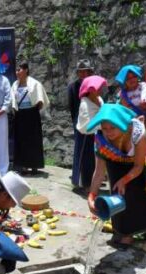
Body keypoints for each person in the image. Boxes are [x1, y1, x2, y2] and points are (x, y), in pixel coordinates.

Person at [87, 104, 146, 248]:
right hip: (115, 158)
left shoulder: (137, 132)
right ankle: (125, 232)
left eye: (112, 128)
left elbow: (138, 167)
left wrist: (125, 179)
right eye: (104, 128)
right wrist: (91, 195)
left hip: (141, 157)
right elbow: (99, 171)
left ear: (122, 125)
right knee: (119, 194)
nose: (108, 133)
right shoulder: (101, 140)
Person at [10, 61, 50, 174]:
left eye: (19, 69)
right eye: (16, 70)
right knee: (21, 140)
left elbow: (40, 101)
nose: (17, 72)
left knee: (33, 140)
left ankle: (34, 165)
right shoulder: (14, 85)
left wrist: (32, 110)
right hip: (20, 114)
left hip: (32, 114)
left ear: (26, 70)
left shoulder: (35, 84)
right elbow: (14, 101)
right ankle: (22, 165)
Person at [74, 75, 107, 191]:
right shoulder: (85, 103)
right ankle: (87, 184)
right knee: (87, 161)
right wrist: (102, 125)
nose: (99, 90)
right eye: (96, 88)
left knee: (97, 161)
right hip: (86, 137)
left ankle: (96, 181)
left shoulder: (100, 100)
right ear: (89, 90)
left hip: (99, 135)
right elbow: (86, 125)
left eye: (99, 88)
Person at [68, 59, 94, 187]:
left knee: (92, 151)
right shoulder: (73, 87)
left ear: (90, 72)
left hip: (94, 122)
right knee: (80, 150)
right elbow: (72, 107)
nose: (83, 74)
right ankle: (79, 180)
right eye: (81, 72)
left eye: (85, 72)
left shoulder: (94, 87)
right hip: (79, 123)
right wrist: (77, 123)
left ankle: (92, 179)